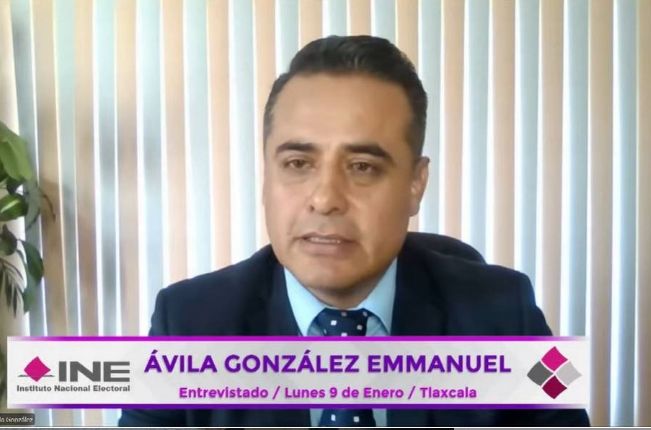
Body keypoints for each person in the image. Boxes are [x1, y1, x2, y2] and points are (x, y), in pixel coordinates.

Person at [119, 35, 590, 427]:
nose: (325, 198)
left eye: (363, 166)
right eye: (298, 163)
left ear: (415, 184)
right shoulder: (188, 325)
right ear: (266, 176)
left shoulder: (506, 313)